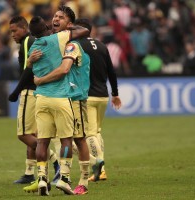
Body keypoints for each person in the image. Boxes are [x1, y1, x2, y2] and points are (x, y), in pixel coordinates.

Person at [26, 14, 90, 196]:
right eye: (54, 18)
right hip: (63, 97)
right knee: (66, 139)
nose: (55, 20)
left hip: (53, 98)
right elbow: (84, 30)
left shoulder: (40, 46)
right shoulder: (58, 40)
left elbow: (33, 71)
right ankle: (64, 178)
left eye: (59, 18)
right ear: (47, 27)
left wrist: (32, 67)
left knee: (49, 140)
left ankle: (45, 179)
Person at [8, 15, 60, 184]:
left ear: (24, 28)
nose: (12, 34)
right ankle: (30, 172)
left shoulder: (27, 42)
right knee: (34, 134)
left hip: (30, 92)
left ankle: (55, 161)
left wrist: (16, 91)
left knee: (23, 134)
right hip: (39, 92)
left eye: (14, 30)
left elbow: (28, 70)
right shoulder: (33, 41)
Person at [73, 18, 122, 182]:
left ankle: (99, 165)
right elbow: (111, 72)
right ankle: (102, 171)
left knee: (89, 133)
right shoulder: (101, 46)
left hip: (87, 96)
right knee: (97, 132)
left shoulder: (76, 45)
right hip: (103, 96)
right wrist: (115, 93)